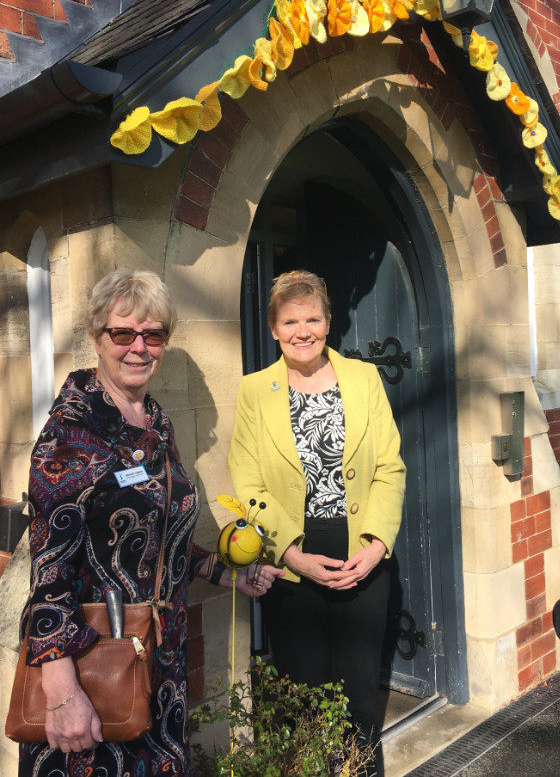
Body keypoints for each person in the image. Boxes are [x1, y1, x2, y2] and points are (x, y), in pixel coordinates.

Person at [17, 269, 283, 777]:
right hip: (96, 668)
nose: (139, 347)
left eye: (154, 334)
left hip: (159, 664)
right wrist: (60, 687)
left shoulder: (155, 422)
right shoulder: (71, 431)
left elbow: (158, 537)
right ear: (97, 337)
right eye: (123, 333)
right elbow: (48, 569)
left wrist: (224, 573)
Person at [228, 270, 406, 776]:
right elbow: (249, 484)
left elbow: (390, 467)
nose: (302, 330)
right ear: (273, 328)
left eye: (312, 318)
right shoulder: (254, 391)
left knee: (358, 698)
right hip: (292, 556)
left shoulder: (365, 379)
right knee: (301, 695)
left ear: (329, 322)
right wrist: (291, 555)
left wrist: (376, 545)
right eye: (290, 320)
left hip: (360, 551)